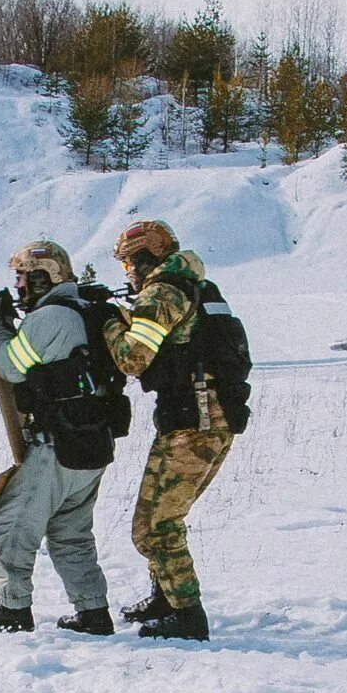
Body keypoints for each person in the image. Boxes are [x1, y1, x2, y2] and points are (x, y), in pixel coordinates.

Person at [100, 220, 250, 641]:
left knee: (155, 526)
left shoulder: (162, 292)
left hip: (194, 422)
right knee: (162, 517)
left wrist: (109, 322)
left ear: (146, 256)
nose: (127, 271)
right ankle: (166, 597)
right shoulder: (194, 285)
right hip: (211, 417)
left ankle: (187, 615)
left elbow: (132, 358)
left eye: (129, 262)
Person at [0, 241, 123, 634]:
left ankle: (13, 609)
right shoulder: (86, 310)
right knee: (71, 533)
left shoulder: (50, 316)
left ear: (43, 277)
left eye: (22, 277)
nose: (18, 286)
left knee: (10, 525)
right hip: (94, 444)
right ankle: (92, 612)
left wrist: (1, 328)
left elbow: (11, 367)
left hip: (57, 444)